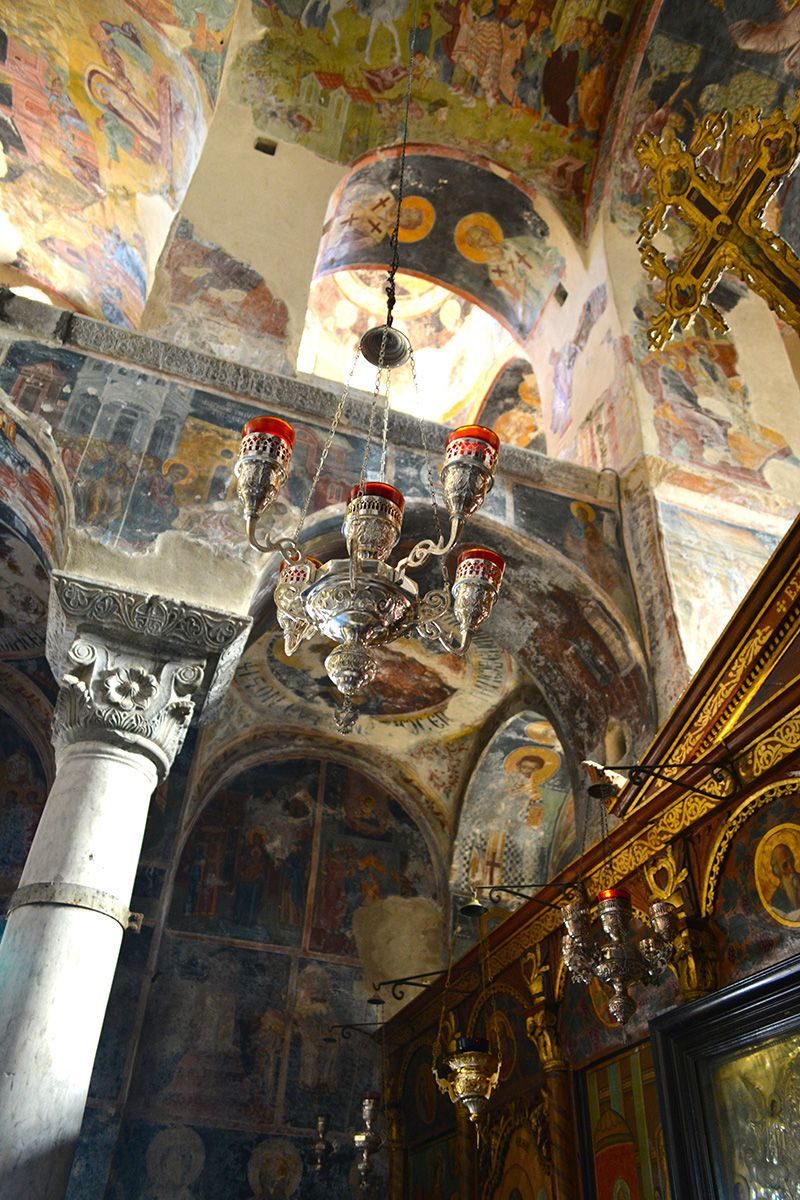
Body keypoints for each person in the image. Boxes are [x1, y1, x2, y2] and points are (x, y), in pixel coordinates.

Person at [769, 842, 800, 914]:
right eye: (785, 865)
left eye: (791, 862)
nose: (791, 869)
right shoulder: (777, 899)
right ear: (778, 870)